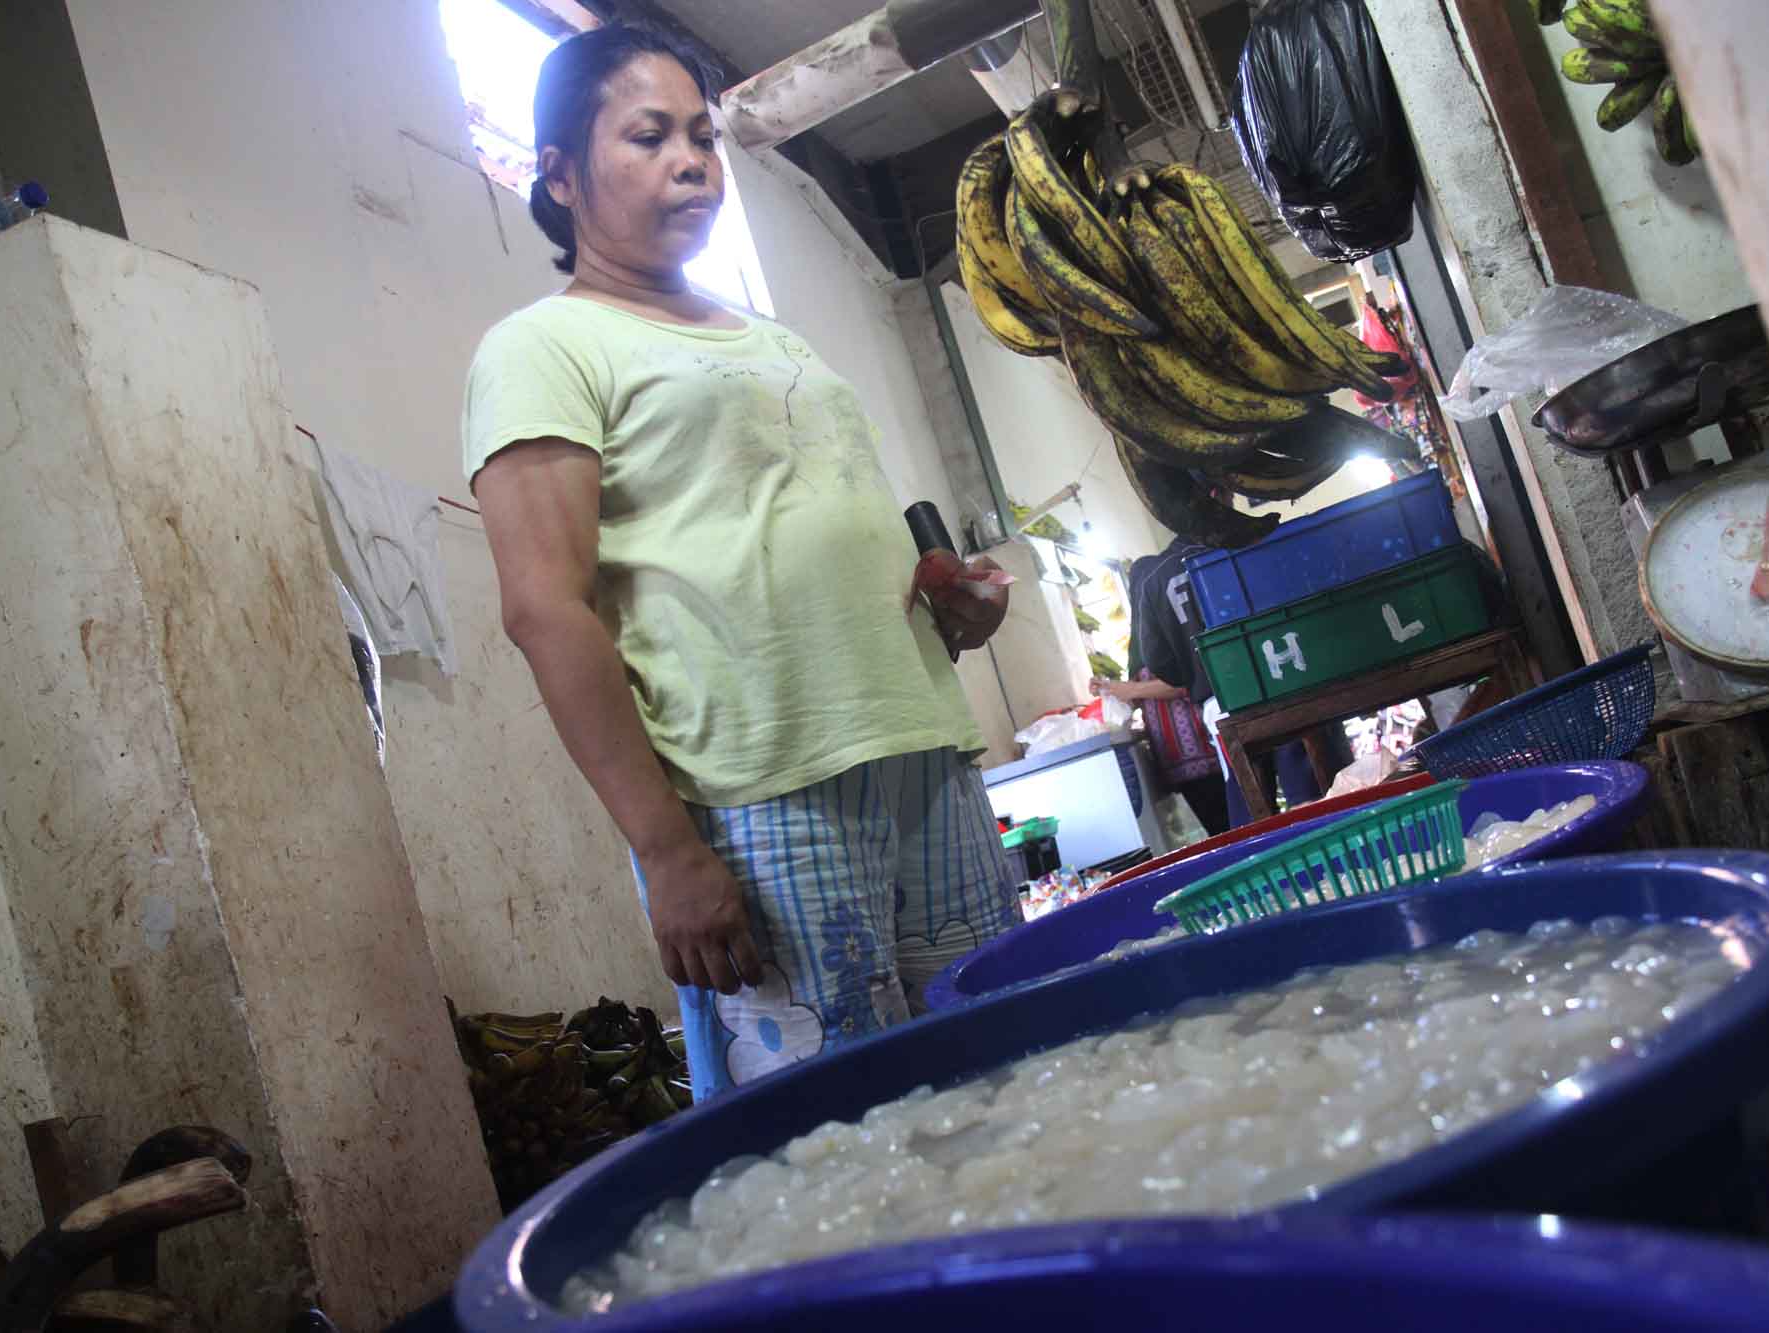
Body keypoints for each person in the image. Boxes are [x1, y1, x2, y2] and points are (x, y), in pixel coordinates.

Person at [461, 25, 1019, 1101]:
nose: (690, 160)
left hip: (919, 755)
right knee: (847, 1137)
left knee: (1004, 1073)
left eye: (702, 138)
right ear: (561, 175)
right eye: (649, 135)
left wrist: (952, 611)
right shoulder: (543, 347)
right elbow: (545, 610)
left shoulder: (773, 340)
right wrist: (667, 851)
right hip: (761, 797)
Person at [1097, 533, 1320, 830]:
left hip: (1219, 700)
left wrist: (1195, 678)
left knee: (1247, 792)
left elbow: (1160, 661)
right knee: (1303, 785)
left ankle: (1261, 859)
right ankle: (1328, 851)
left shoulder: (1154, 580)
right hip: (1276, 679)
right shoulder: (1236, 550)